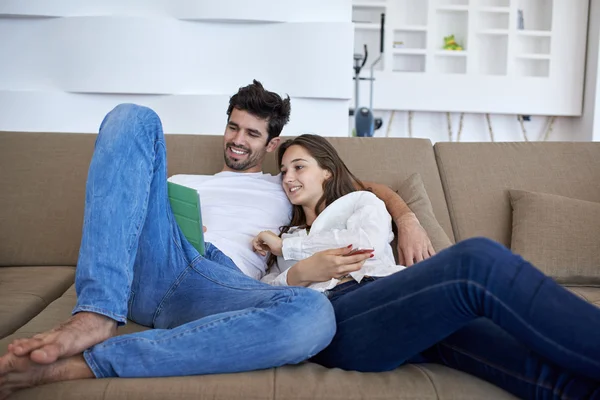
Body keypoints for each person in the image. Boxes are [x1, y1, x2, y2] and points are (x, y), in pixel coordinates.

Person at [0, 81, 433, 399]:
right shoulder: (181, 180)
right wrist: (171, 225)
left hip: (215, 285)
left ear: (271, 144)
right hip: (156, 263)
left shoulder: (283, 183)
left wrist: (408, 219)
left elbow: (359, 187)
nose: (237, 140)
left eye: (251, 134)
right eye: (233, 128)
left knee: (313, 313)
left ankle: (93, 363)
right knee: (134, 117)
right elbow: (126, 210)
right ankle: (95, 314)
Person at [252, 134, 600, 400]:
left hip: (397, 301)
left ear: (328, 170)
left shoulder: (362, 202)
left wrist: (292, 249)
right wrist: (298, 271)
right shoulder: (286, 234)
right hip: (339, 317)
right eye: (283, 171)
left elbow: (364, 245)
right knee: (475, 260)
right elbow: (261, 294)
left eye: (299, 166)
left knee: (526, 364)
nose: (288, 177)